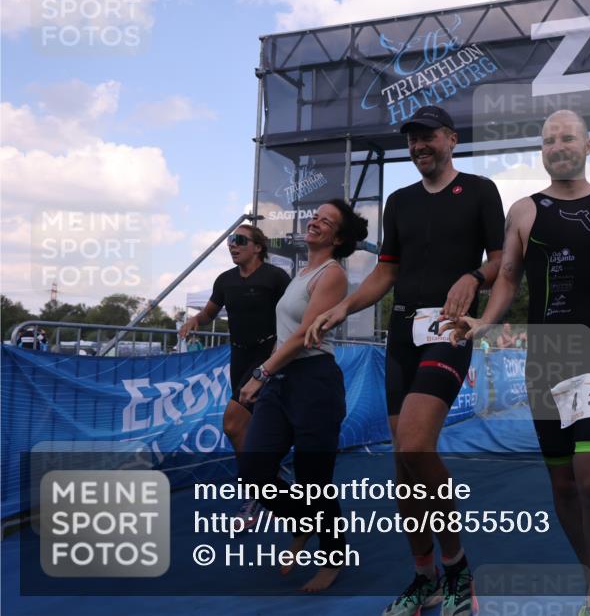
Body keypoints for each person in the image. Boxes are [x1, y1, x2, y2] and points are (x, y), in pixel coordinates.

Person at [445, 110, 590, 616]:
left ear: (588, 145)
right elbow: (507, 278)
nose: (557, 146)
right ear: (541, 152)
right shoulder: (523, 211)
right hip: (546, 359)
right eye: (548, 141)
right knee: (563, 483)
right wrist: (486, 322)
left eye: (567, 137)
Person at [305, 105, 504, 616]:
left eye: (427, 137)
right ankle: (425, 576)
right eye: (412, 139)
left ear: (451, 139)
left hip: (449, 327)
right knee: (402, 463)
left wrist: (475, 277)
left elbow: (503, 259)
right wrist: (343, 306)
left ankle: (458, 567)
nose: (419, 146)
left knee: (416, 445)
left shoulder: (480, 191)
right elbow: (385, 273)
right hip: (402, 330)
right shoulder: (399, 201)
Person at [237, 198, 368, 592]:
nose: (315, 223)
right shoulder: (299, 272)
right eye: (315, 217)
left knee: (315, 480)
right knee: (254, 472)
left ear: (338, 237)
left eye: (325, 221)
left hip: (314, 382)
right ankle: (303, 524)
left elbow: (303, 335)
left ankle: (333, 555)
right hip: (282, 382)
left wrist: (262, 371)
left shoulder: (331, 276)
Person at [179, 224, 291, 523]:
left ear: (257, 247)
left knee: (232, 423)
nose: (232, 245)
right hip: (239, 357)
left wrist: (283, 355)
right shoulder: (225, 280)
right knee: (248, 428)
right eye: (230, 240)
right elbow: (209, 313)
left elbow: (293, 315)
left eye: (239, 240)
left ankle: (258, 486)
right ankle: (263, 480)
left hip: (268, 358)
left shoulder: (275, 277)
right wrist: (195, 320)